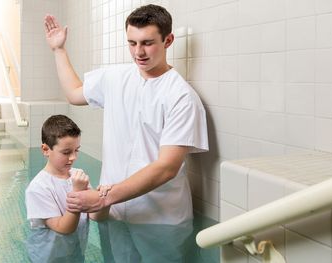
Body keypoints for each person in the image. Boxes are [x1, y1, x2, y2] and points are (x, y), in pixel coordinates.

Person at [44, 4, 208, 262]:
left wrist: (101, 197)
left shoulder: (181, 97)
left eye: (147, 43)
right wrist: (58, 50)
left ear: (168, 40)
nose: (138, 52)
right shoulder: (116, 78)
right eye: (131, 43)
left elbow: (167, 167)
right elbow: (75, 93)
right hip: (115, 213)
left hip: (161, 221)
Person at [25, 114, 109, 262]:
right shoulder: (38, 188)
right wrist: (77, 193)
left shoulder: (78, 176)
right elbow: (63, 228)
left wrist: (104, 199)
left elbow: (95, 216)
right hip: (47, 258)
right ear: (46, 150)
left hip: (75, 253)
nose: (73, 157)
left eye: (76, 150)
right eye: (66, 152)